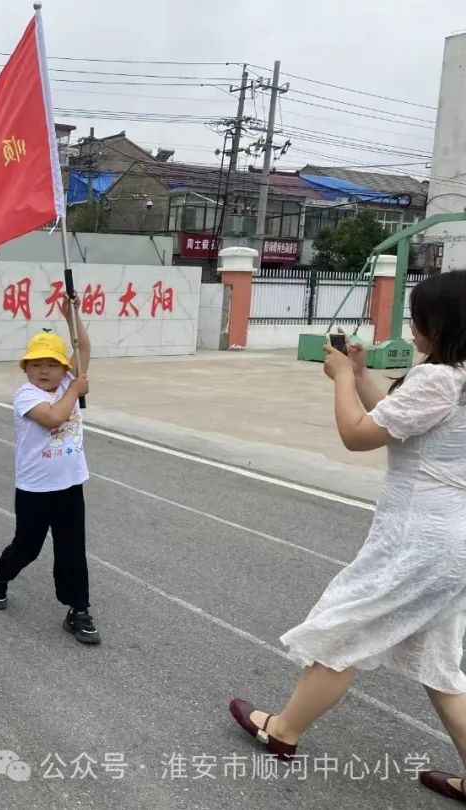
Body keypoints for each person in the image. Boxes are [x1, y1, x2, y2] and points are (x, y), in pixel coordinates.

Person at [229, 272, 466, 804]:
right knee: (439, 662)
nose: (411, 327)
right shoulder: (456, 377)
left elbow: (358, 435)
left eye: (416, 318)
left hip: (417, 541)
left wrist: (338, 377)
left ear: (440, 324)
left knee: (343, 632)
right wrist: (359, 371)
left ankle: (283, 730)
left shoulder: (438, 380)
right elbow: (394, 419)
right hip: (453, 542)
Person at [0, 301, 98, 644]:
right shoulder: (26, 395)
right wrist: (76, 389)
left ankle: (78, 608)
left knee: (72, 548)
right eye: (37, 364)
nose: (44, 371)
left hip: (70, 484)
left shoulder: (66, 383)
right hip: (34, 488)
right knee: (28, 546)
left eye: (52, 364)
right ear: (26, 368)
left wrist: (70, 313)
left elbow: (85, 346)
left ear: (63, 368)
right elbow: (52, 419)